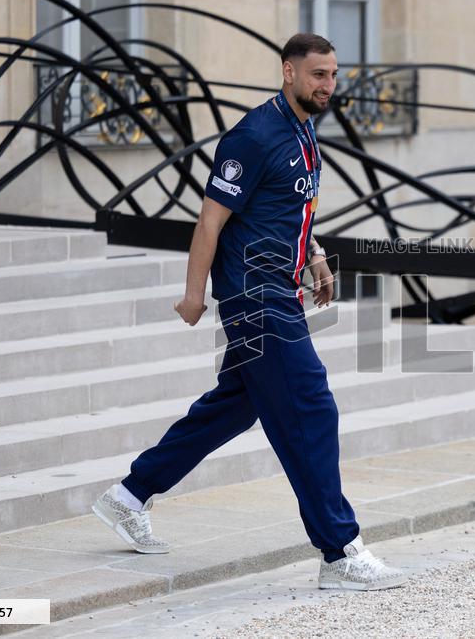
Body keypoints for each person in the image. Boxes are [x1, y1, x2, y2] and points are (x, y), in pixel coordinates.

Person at [92, 33, 407, 591]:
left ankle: (128, 495)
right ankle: (339, 552)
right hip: (253, 295)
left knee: (235, 405)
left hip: (280, 286)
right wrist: (194, 294)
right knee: (311, 406)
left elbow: (290, 205)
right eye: (317, 75)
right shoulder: (252, 136)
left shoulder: (305, 126)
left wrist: (313, 255)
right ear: (288, 71)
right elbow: (210, 221)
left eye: (333, 75)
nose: (327, 86)